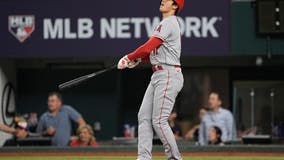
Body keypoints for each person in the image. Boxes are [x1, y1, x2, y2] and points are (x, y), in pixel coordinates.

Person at [116, 0, 184, 159]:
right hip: (159, 74)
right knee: (144, 117)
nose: (163, 0)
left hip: (168, 73)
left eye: (167, 0)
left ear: (175, 6)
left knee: (159, 121)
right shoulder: (165, 23)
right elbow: (154, 52)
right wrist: (138, 60)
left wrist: (129, 57)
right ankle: (144, 157)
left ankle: (175, 157)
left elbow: (148, 46)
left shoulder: (170, 22)